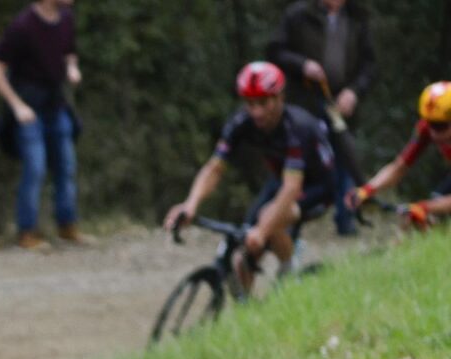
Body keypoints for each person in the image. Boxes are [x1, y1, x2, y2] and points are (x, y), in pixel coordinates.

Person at [162, 62, 337, 291]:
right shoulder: (242, 122)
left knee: (268, 222)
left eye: (263, 103)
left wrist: (262, 231)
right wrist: (191, 204)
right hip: (281, 180)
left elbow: (292, 188)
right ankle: (247, 311)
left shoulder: (297, 127)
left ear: (280, 98)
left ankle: (288, 273)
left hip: (318, 187)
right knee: (241, 257)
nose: (257, 112)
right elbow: (214, 168)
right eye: (250, 103)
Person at [267, 0, 374, 235]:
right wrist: (302, 64)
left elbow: (369, 64)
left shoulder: (358, 16)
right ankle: (288, 217)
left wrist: (354, 91)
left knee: (345, 157)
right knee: (302, 162)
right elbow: (275, 51)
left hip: (340, 103)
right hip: (305, 102)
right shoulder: (298, 14)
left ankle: (346, 219)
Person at [0, 0, 83, 249]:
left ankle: (67, 227)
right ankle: (27, 233)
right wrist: (17, 105)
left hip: (57, 104)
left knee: (66, 166)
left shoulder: (66, 18)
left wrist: (71, 67)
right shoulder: (23, 26)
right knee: (35, 169)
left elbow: (69, 51)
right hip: (29, 108)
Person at [346, 82, 451, 231]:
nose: (434, 134)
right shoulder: (425, 129)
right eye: (430, 124)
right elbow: (399, 167)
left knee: (430, 210)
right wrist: (367, 190)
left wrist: (424, 207)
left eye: (440, 126)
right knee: (420, 216)